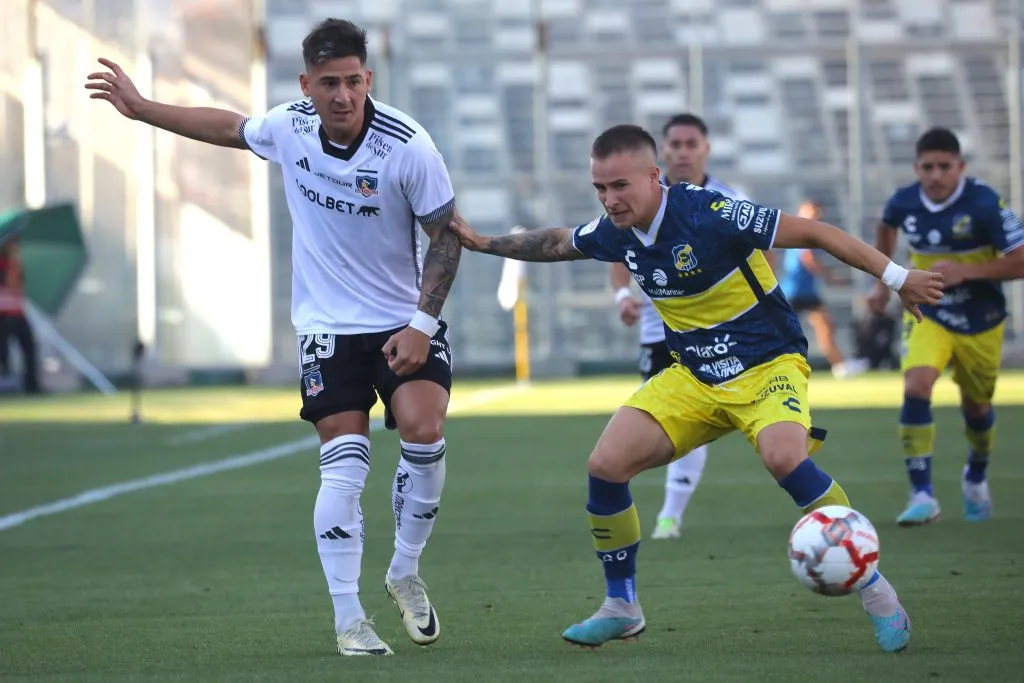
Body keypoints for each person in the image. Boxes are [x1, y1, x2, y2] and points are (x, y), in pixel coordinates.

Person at [449, 124, 942, 652]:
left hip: (767, 365)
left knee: (784, 459)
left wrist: (898, 278)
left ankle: (877, 593)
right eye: (600, 188)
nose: (609, 200)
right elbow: (557, 242)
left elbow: (817, 233)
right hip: (695, 376)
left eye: (620, 185)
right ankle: (622, 606)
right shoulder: (617, 230)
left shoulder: (711, 212)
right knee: (605, 465)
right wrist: (484, 243)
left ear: (653, 176)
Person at [87, 19, 462, 656]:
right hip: (325, 328)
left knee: (424, 432)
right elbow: (230, 128)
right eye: (328, 83)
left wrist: (423, 325)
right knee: (344, 466)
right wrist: (144, 109)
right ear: (306, 85)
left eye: (353, 81)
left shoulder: (409, 147)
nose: (342, 95)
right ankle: (350, 620)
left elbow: (446, 236)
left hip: (402, 321)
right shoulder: (288, 126)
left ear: (368, 79)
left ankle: (404, 570)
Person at [867, 127, 1024, 526]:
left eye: (944, 166)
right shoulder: (904, 201)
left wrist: (965, 271)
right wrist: (882, 283)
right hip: (928, 312)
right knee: (916, 386)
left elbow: (1020, 259)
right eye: (927, 167)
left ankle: (976, 474)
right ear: (916, 168)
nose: (935, 175)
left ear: (960, 167)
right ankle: (922, 494)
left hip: (981, 320)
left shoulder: (985, 203)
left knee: (977, 408)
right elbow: (885, 225)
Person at [610, 113, 749, 540]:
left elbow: (762, 252)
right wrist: (623, 296)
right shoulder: (641, 198)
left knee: (711, 420)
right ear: (662, 152)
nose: (683, 152)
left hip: (720, 334)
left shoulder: (729, 198)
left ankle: (669, 515)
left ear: (706, 149)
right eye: (675, 144)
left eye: (692, 144)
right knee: (664, 424)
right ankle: (662, 510)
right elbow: (616, 250)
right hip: (660, 332)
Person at [780, 200, 869, 379]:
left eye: (817, 214)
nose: (815, 216)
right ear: (802, 211)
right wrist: (829, 277)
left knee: (825, 326)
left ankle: (839, 365)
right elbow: (807, 258)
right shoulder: (800, 230)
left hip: (806, 292)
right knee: (784, 331)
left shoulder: (808, 231)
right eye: (812, 212)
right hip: (793, 291)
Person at [0, 237, 41, 394]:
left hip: (17, 312)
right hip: (3, 314)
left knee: (29, 347)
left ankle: (31, 384)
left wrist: (15, 264)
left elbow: (19, 287)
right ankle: (5, 383)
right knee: (3, 351)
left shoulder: (16, 265)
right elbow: (10, 284)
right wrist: (12, 264)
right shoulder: (4, 264)